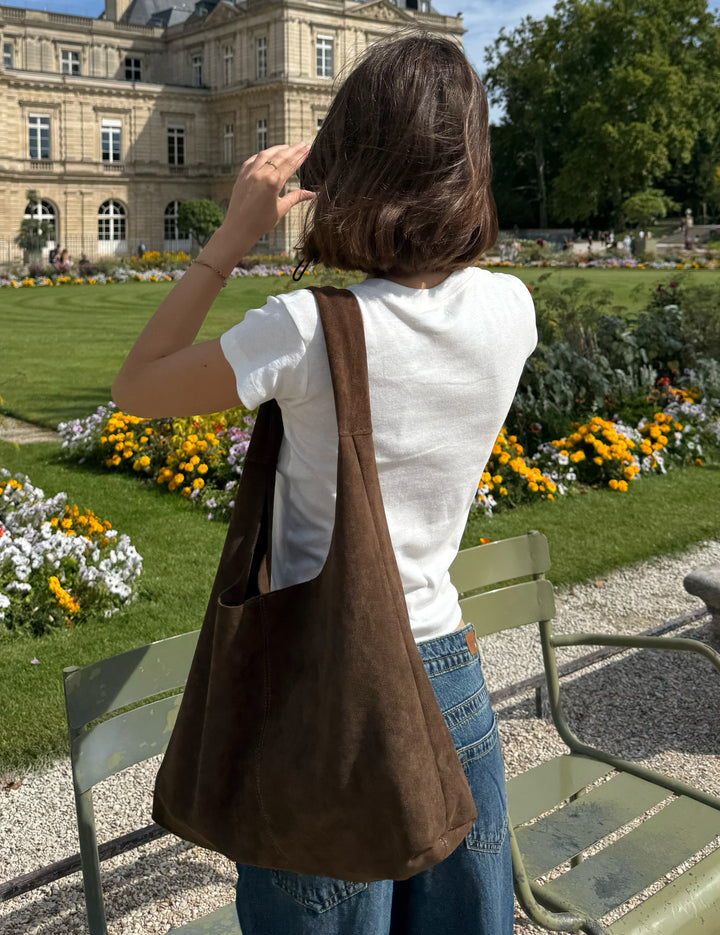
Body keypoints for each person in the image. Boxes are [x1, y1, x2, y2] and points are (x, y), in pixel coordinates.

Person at [113, 33, 536, 935]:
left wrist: (231, 236)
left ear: (350, 164)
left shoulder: (308, 331)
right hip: (450, 675)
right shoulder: (512, 309)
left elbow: (136, 386)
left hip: (328, 693)